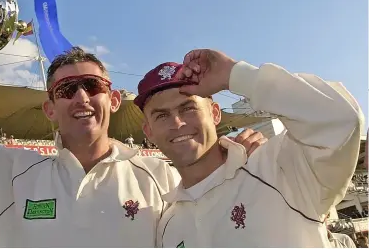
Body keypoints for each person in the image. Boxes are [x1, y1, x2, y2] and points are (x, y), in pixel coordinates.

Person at [0, 0, 267, 246]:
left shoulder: (164, 177)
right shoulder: (10, 174)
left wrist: (236, 154)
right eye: (66, 89)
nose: (82, 97)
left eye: (92, 85)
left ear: (114, 99)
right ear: (50, 108)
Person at [133, 49, 363, 247]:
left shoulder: (280, 169)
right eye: (162, 115)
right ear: (149, 132)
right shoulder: (168, 225)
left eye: (188, 108)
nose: (177, 123)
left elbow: (342, 119)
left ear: (215, 113)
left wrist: (233, 74)